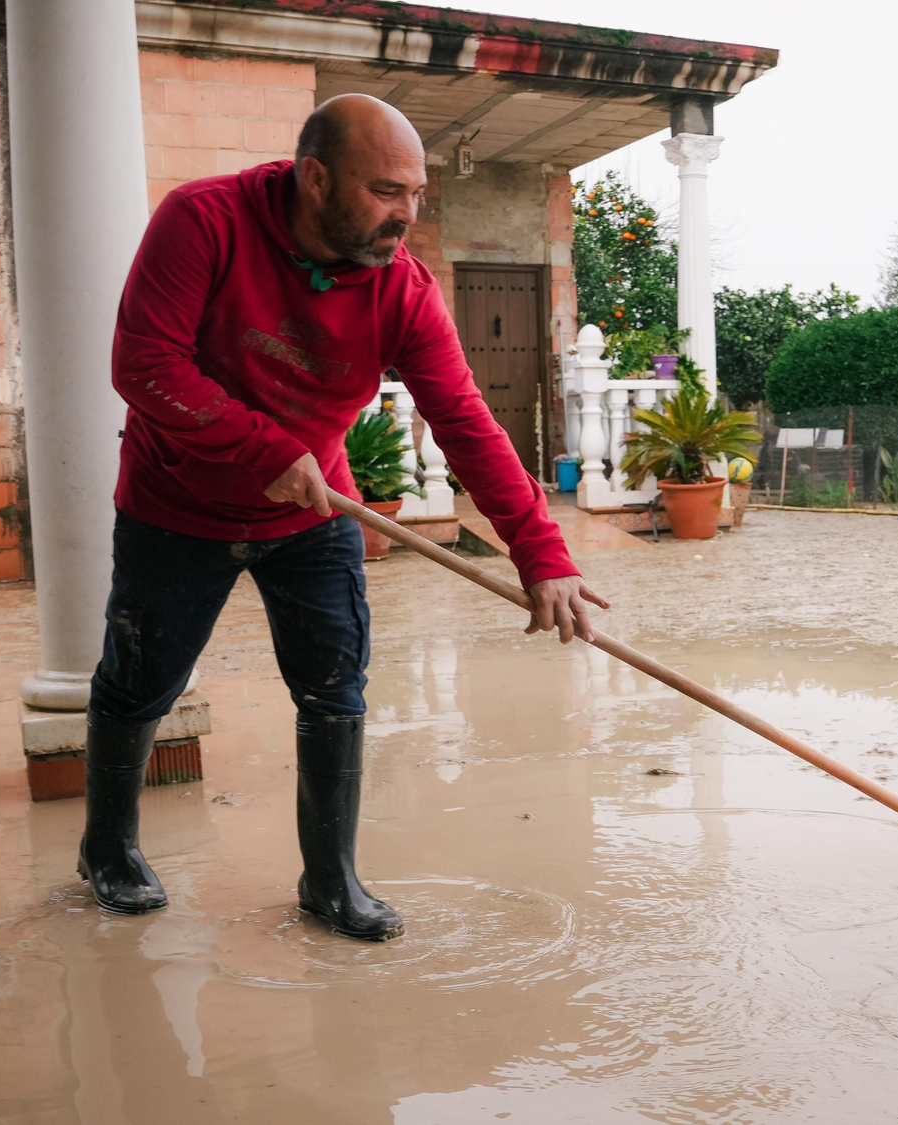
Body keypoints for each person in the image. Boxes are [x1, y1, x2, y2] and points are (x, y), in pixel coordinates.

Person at [77, 94, 609, 941]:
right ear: (315, 177)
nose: (407, 214)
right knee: (140, 683)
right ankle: (107, 848)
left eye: (417, 195)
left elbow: (465, 421)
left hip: (316, 510)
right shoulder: (204, 222)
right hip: (176, 505)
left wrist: (540, 552)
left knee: (335, 692)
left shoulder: (402, 288)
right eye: (387, 191)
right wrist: (259, 448)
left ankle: (330, 881)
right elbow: (143, 364)